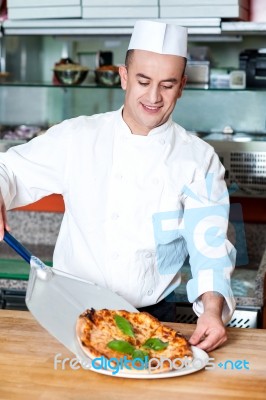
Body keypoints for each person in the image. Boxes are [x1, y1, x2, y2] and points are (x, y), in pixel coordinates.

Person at [0, 20, 236, 352]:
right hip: (72, 310)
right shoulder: (77, 137)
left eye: (167, 85)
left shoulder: (199, 159)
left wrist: (212, 311)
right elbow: (9, 169)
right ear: (123, 76)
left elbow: (209, 247)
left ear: (182, 85)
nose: (154, 96)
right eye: (143, 81)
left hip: (151, 319)